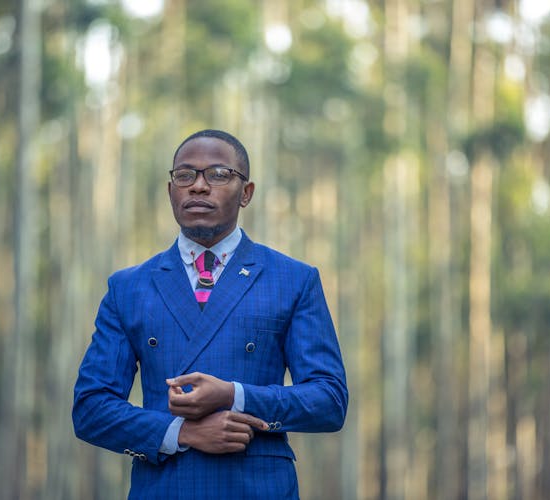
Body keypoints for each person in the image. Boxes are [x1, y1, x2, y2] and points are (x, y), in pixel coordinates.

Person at [72, 129, 348, 499]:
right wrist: (181, 433)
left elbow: (328, 401)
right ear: (171, 190)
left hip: (258, 488)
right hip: (166, 487)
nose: (199, 186)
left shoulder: (293, 279)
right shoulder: (129, 287)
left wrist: (234, 395)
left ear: (246, 192)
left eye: (218, 174)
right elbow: (91, 408)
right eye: (185, 175)